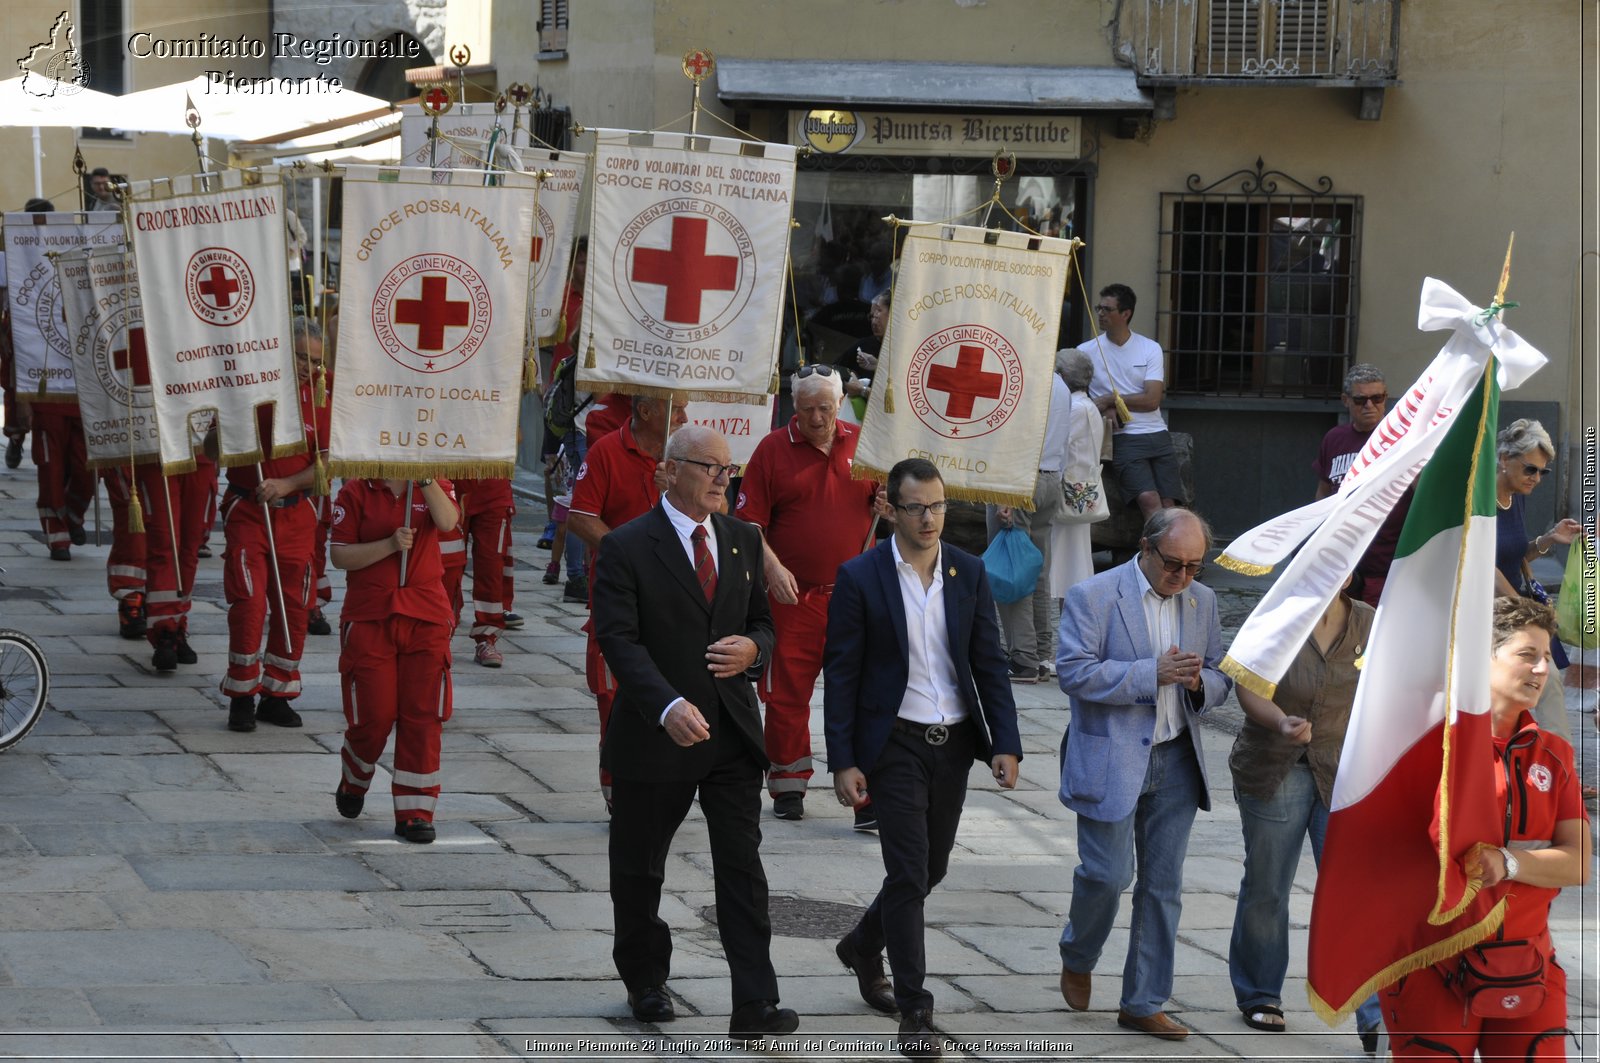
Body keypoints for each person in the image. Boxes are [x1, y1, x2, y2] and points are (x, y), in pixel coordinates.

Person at [592, 425, 799, 1044]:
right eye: (709, 467)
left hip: (731, 734)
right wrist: (666, 705)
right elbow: (618, 639)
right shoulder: (629, 545)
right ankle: (646, 979)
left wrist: (752, 650)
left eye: (727, 470)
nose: (721, 479)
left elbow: (763, 624)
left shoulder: (742, 539)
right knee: (639, 868)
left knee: (742, 868)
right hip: (658, 736)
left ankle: (755, 1003)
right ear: (671, 470)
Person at [824, 457, 1022, 1061]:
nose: (930, 517)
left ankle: (862, 943)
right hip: (895, 745)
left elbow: (989, 661)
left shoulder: (968, 570)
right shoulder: (860, 577)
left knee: (930, 869)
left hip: (955, 743)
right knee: (909, 872)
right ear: (890, 508)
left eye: (938, 505)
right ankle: (915, 1008)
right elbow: (843, 673)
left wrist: (1005, 742)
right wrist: (843, 759)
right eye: (916, 507)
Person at [1380, 596, 1591, 1059]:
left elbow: (1578, 864)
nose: (1541, 669)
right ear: (1482, 658)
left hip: (1526, 960)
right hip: (1432, 961)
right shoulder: (1424, 744)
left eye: (1545, 657)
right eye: (1526, 655)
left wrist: (1508, 862)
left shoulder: (1554, 753)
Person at [1055, 507, 1231, 1040]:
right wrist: (1148, 674)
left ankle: (1143, 1001)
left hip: (1177, 757)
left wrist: (1200, 685)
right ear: (1145, 547)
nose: (1182, 577)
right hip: (1111, 755)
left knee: (1163, 886)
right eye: (1173, 564)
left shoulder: (1204, 601)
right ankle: (1078, 952)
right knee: (1107, 877)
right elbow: (1072, 671)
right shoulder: (1095, 594)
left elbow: (1224, 673)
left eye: (1195, 566)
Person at [1227, 578, 1384, 1050]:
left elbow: (1386, 689)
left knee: (1352, 890)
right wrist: (1280, 721)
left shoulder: (1368, 621)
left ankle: (1372, 1011)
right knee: (1268, 885)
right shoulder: (1275, 616)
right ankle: (1260, 993)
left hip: (1342, 771)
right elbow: (1247, 683)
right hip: (1275, 765)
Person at [736, 364, 881, 824]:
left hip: (855, 594)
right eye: (804, 409)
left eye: (823, 408)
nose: (815, 418)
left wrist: (890, 507)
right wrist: (771, 566)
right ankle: (788, 785)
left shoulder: (867, 443)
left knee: (864, 693)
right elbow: (748, 523)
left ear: (841, 403)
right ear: (791, 407)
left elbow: (899, 507)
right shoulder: (772, 449)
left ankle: (865, 795)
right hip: (791, 595)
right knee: (785, 694)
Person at [568, 394, 687, 812]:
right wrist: (629, 553)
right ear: (647, 411)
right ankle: (620, 792)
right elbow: (580, 516)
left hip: (677, 605)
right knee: (615, 699)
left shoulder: (686, 453)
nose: (685, 417)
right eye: (678, 409)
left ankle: (666, 785)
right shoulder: (606, 451)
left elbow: (719, 511)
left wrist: (675, 493)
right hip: (619, 599)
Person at [330, 475, 460, 844]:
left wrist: (425, 480)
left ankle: (415, 812)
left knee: (423, 715)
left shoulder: (433, 483)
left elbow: (449, 522)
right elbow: (340, 555)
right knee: (375, 714)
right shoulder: (356, 490)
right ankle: (354, 778)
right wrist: (389, 545)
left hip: (426, 613)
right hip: (371, 613)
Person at [218, 319, 328, 732]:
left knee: (294, 606)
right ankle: (242, 696)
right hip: (249, 510)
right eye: (301, 356)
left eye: (316, 360)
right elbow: (211, 449)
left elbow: (331, 463)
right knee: (248, 601)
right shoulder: (248, 387)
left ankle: (277, 694)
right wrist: (228, 427)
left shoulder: (325, 393)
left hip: (297, 514)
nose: (309, 367)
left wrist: (287, 482)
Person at [1494, 418, 1583, 745]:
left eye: (1542, 472)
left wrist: (1548, 538)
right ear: (1505, 459)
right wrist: (1526, 610)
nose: (1536, 478)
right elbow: (1484, 565)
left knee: (1543, 686)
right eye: (1530, 469)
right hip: (1492, 615)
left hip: (1513, 611)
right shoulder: (1479, 499)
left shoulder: (1516, 496)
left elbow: (1515, 555)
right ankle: (1552, 771)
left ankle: (1556, 769)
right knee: (1535, 686)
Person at [986, 355, 1069, 683]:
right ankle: (1041, 655)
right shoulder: (1059, 382)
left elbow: (1016, 437)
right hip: (1049, 478)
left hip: (1020, 479)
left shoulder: (1025, 379)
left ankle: (1023, 659)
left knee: (1011, 571)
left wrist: (1007, 494)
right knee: (1037, 570)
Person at [1077, 284, 1182, 520]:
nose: (1101, 314)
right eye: (1099, 308)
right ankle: (1154, 555)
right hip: (1123, 437)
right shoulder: (1085, 351)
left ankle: (1174, 554)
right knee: (1149, 501)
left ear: (1126, 314)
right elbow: (1079, 401)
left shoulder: (1149, 348)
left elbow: (1152, 400)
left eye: (1107, 309)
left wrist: (1111, 400)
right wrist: (1104, 408)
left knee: (1171, 505)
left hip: (1157, 433)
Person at [1313, 363, 1414, 606]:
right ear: (1345, 400)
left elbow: (1424, 493)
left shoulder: (1406, 439)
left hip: (1388, 564)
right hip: (1344, 562)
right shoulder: (1334, 438)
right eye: (1360, 400)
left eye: (1376, 398)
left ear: (1385, 398)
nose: (1370, 405)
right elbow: (1324, 491)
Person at [1048, 349, 1106, 606]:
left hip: (1069, 490)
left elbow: (1056, 443)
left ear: (1061, 376)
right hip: (1078, 489)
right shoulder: (1087, 405)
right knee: (1070, 563)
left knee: (1067, 565)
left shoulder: (1076, 408)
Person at [444, 476, 516, 667]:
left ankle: (487, 637)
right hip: (451, 483)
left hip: (493, 485)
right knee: (447, 564)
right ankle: (441, 634)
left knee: (492, 566)